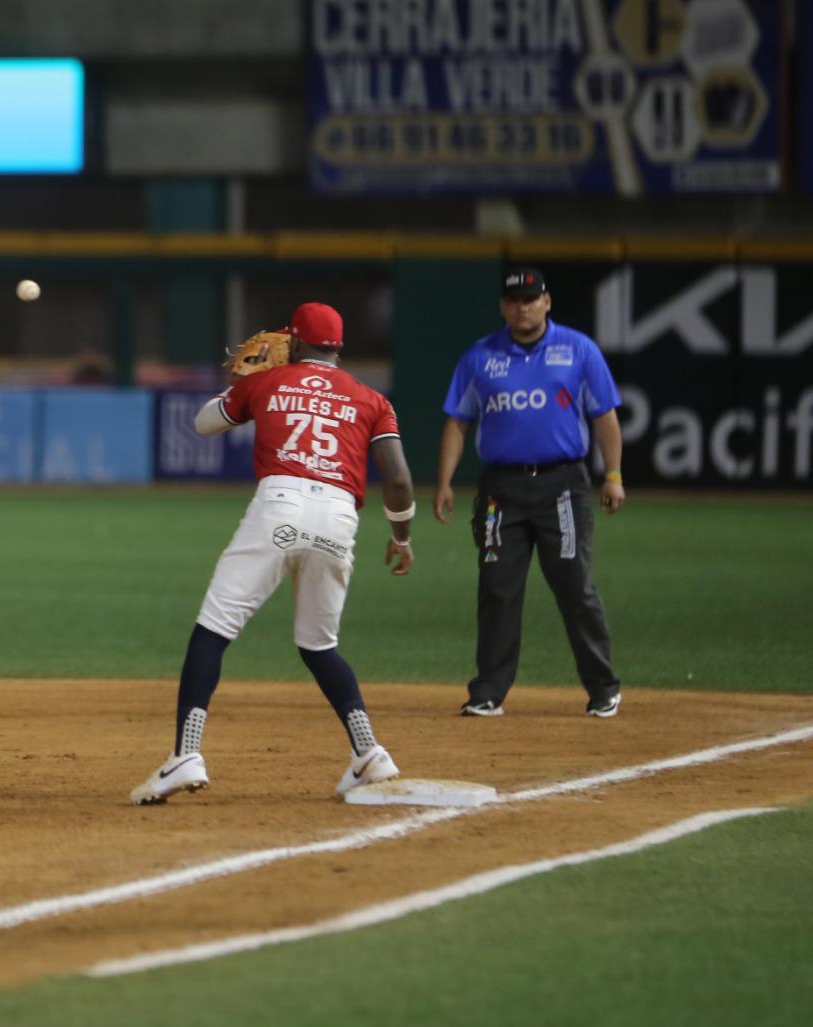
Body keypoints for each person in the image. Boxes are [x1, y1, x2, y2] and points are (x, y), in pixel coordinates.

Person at [131, 302, 417, 805]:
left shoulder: (268, 382)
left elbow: (202, 424)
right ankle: (370, 753)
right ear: (338, 348)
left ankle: (186, 754)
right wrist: (402, 537)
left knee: (214, 629)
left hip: (279, 508)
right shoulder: (373, 399)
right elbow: (397, 477)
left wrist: (244, 383)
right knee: (319, 646)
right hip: (337, 518)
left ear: (298, 342)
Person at [433, 268, 625, 719]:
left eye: (531, 299)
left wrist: (613, 473)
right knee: (498, 588)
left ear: (547, 302)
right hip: (501, 488)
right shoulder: (480, 357)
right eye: (514, 300)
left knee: (573, 585)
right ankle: (489, 692)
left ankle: (603, 687)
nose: (523, 307)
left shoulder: (578, 350)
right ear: (503, 306)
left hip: (562, 485)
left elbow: (605, 417)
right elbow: (458, 422)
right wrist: (444, 481)